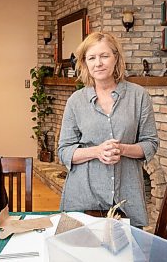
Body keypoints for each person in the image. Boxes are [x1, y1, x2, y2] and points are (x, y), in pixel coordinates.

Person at [58, 32, 159, 228]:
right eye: (92, 58)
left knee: (126, 256)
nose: (98, 63)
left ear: (116, 58)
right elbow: (64, 152)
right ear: (85, 63)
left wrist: (121, 149)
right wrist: (97, 151)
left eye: (104, 56)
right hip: (83, 198)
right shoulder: (75, 102)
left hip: (127, 199)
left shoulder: (139, 96)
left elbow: (150, 143)